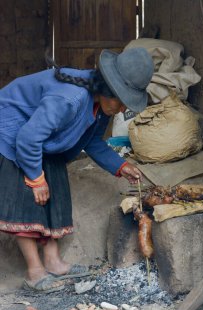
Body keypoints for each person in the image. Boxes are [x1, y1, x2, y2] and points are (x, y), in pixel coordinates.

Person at [0, 47, 154, 292]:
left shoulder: (102, 107)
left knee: (55, 191)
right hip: (13, 133)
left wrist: (121, 166)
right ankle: (34, 271)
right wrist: (36, 178)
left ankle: (53, 262)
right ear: (108, 89)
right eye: (122, 102)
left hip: (42, 139)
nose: (124, 110)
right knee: (30, 199)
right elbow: (28, 139)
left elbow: (91, 141)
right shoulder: (69, 99)